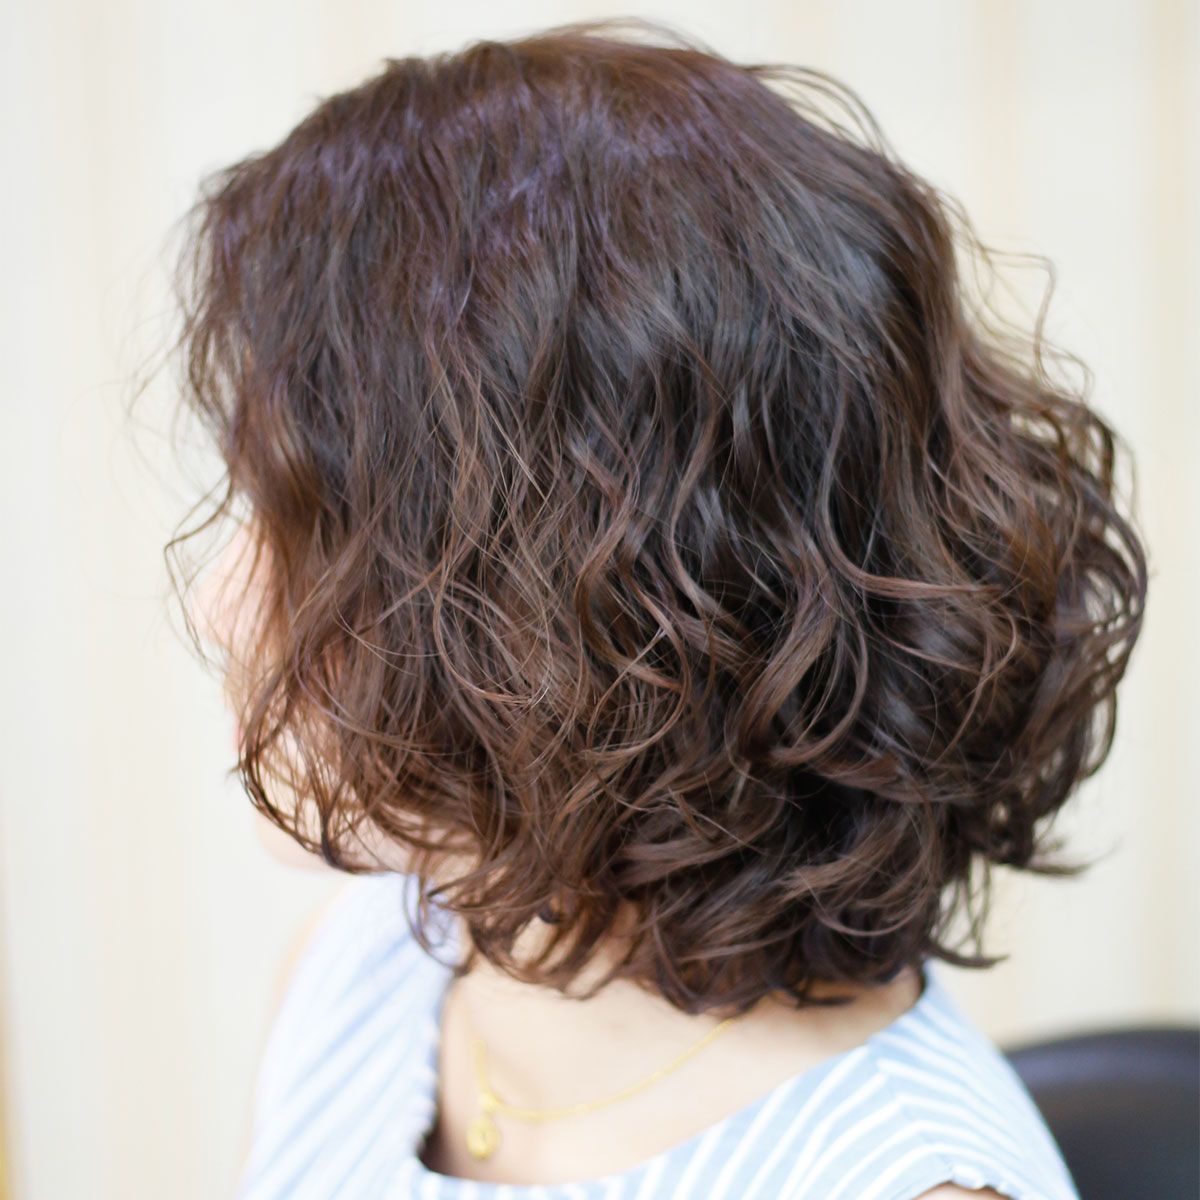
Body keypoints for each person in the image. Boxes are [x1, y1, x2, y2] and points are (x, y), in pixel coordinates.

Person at [169, 16, 1147, 1200]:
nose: (221, 604)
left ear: (584, 601)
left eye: (311, 532)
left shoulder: (900, 1180)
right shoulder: (361, 971)